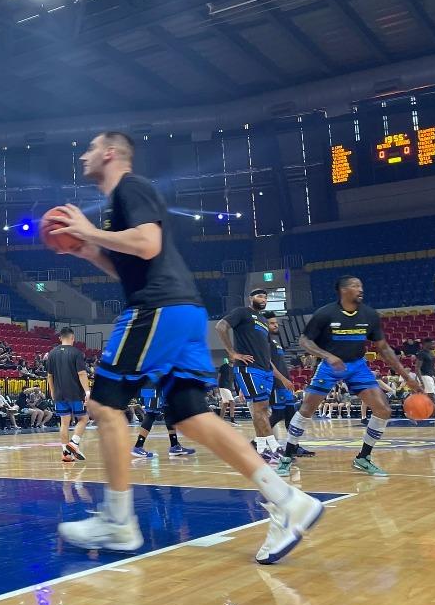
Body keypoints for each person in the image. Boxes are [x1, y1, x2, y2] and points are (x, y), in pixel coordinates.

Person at [47, 131, 322, 564]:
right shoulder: (117, 206)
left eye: (90, 147)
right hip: (183, 312)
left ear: (110, 152)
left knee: (104, 406)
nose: (83, 155)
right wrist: (87, 249)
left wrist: (86, 230)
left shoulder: (129, 187)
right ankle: (289, 500)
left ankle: (118, 521)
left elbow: (147, 244)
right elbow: (130, 261)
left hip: (157, 308)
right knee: (193, 418)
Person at [279, 275, 423, 478]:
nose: (360, 289)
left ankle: (363, 458)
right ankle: (287, 456)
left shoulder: (369, 314)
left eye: (361, 285)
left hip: (357, 365)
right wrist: (327, 356)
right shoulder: (326, 313)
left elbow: (383, 348)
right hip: (329, 366)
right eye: (356, 286)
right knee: (306, 409)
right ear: (343, 290)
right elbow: (304, 340)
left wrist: (406, 376)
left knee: (383, 409)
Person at [217, 289, 292, 460]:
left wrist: (279, 376)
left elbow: (266, 354)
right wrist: (232, 353)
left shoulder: (264, 321)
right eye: (259, 296)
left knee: (262, 409)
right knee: (260, 409)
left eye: (265, 297)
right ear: (250, 298)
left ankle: (260, 448)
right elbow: (221, 326)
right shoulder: (242, 312)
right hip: (248, 369)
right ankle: (274, 447)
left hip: (264, 370)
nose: (263, 299)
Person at [265, 314, 315, 458]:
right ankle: (258, 442)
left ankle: (293, 447)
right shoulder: (264, 341)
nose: (275, 325)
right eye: (272, 323)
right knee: (278, 414)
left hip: (284, 384)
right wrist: (282, 379)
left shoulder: (275, 341)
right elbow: (268, 363)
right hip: (276, 384)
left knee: (291, 416)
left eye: (276, 323)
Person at [46, 327, 91, 462]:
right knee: (83, 419)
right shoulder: (76, 353)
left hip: (59, 393)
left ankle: (66, 453)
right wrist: (87, 391)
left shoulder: (52, 353)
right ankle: (74, 443)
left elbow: (49, 376)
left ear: (60, 338)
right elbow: (82, 373)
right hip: (75, 392)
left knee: (64, 422)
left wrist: (53, 391)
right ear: (73, 338)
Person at [131, 384, 196, 458]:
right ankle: (138, 446)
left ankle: (174, 445)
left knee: (169, 411)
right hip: (153, 382)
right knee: (151, 413)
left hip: (164, 383)